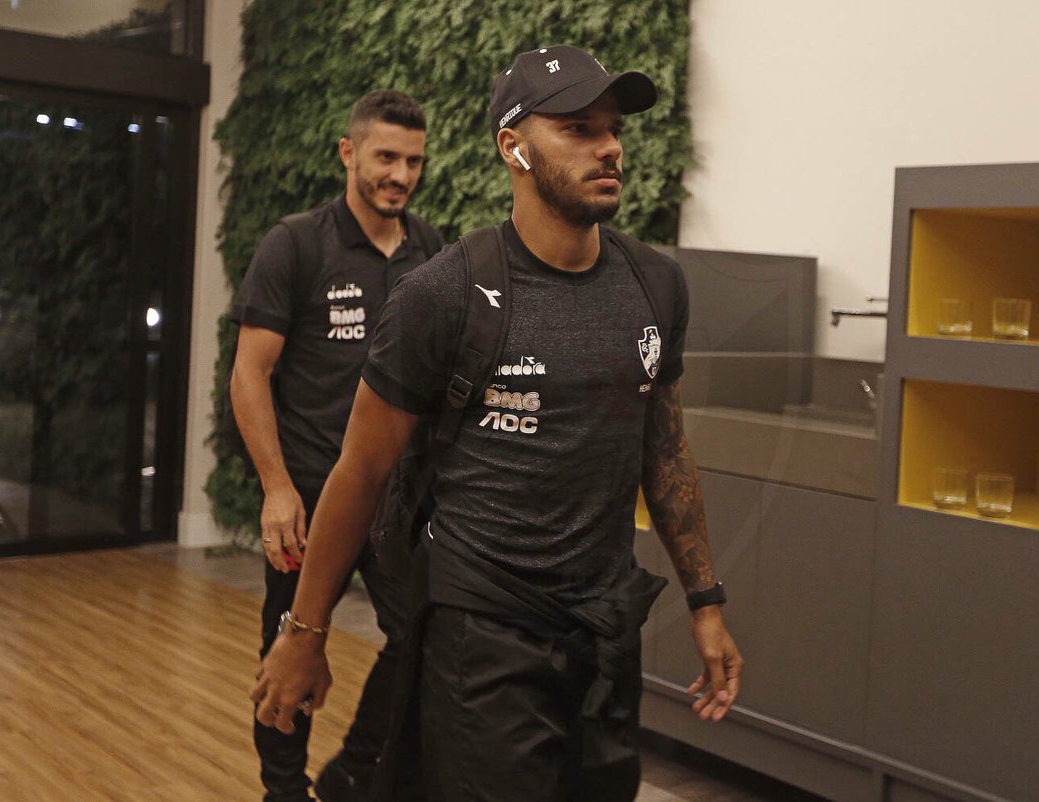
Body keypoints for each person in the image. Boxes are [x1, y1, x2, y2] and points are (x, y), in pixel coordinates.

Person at [250, 46, 744, 801]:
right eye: (578, 128)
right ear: (513, 147)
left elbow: (665, 449)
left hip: (605, 627)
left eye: (613, 129)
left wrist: (705, 601)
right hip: (483, 632)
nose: (609, 147)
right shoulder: (443, 293)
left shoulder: (656, 285)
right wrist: (304, 633)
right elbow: (363, 470)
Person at [230, 89, 445, 802]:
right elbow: (250, 374)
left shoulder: (432, 251)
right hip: (310, 501)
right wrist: (277, 488)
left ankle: (354, 769)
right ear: (349, 153)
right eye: (386, 157)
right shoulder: (296, 244)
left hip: (396, 504)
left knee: (423, 637)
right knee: (291, 651)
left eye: (413, 161)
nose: (401, 175)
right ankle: (283, 792)